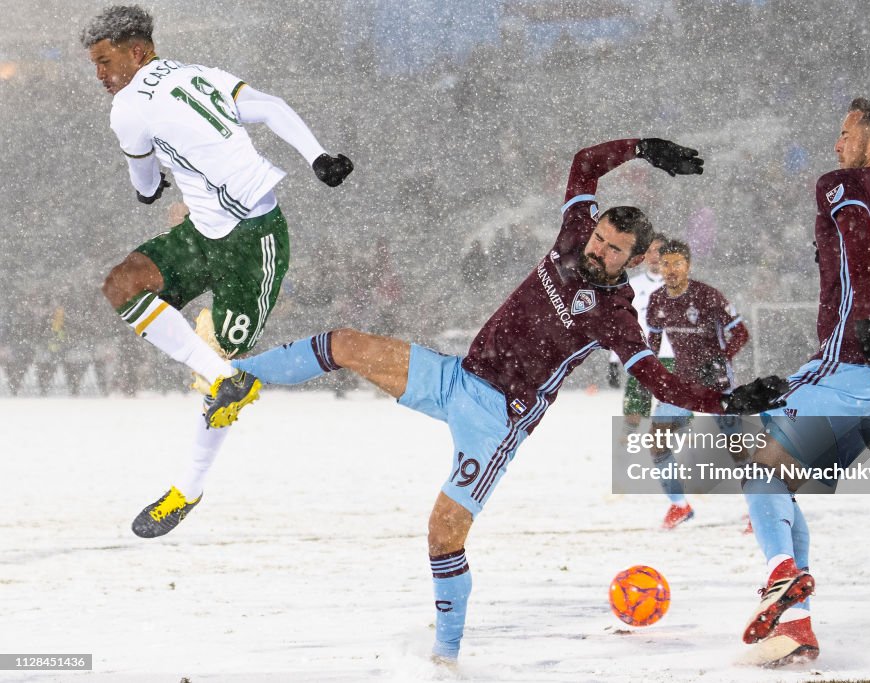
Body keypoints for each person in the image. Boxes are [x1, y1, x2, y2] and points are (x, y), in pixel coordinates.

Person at [204, 137, 788, 664]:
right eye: (598, 238)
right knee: (344, 343)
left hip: (496, 422)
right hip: (456, 377)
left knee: (442, 536)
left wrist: (725, 397)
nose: (597, 250)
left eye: (613, 250)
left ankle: (445, 657)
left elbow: (661, 383)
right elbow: (585, 162)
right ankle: (234, 378)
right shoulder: (570, 238)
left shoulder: (616, 318)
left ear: (636, 261)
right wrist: (643, 148)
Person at [81, 5, 354, 538]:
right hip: (205, 235)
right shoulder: (199, 74)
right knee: (124, 284)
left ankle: (189, 487)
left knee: (217, 381)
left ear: (136, 52)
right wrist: (318, 157)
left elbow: (142, 183)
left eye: (104, 61)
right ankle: (224, 374)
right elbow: (270, 107)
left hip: (255, 246)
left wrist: (150, 189)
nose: (100, 76)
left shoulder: (127, 107)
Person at [740, 99, 870, 667]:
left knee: (757, 465)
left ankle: (781, 582)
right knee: (785, 483)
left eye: (845, 132)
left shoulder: (843, 182)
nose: (835, 144)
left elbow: (858, 253)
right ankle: (795, 626)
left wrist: (863, 320)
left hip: (849, 358)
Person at [645, 239, 749, 528]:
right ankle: (680, 506)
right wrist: (652, 374)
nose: (671, 269)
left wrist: (720, 358)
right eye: (666, 264)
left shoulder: (708, 296)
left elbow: (741, 333)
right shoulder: (656, 300)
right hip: (682, 383)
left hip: (717, 382)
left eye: (677, 263)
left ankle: (760, 507)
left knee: (737, 447)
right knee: (657, 442)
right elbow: (652, 342)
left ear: (688, 266)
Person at [607, 233, 671, 428]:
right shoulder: (632, 286)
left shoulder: (680, 285)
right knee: (633, 413)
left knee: (672, 414)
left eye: (658, 251)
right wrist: (614, 361)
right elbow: (621, 325)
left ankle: (674, 454)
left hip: (672, 357)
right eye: (649, 251)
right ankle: (631, 450)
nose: (654, 256)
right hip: (642, 356)